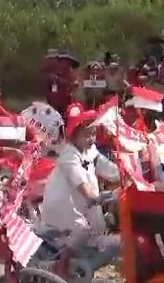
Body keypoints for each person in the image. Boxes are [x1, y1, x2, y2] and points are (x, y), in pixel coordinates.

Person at [39, 104, 122, 269]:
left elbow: (110, 170)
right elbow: (81, 185)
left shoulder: (91, 151)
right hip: (64, 205)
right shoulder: (69, 155)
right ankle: (60, 265)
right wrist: (96, 197)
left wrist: (126, 174)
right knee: (83, 230)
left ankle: (86, 259)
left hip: (81, 204)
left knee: (100, 230)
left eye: (93, 134)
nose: (91, 139)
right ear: (73, 137)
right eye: (86, 136)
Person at [41, 50, 80, 118]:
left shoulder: (69, 72)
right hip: (53, 103)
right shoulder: (49, 73)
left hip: (65, 103)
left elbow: (74, 84)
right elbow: (46, 88)